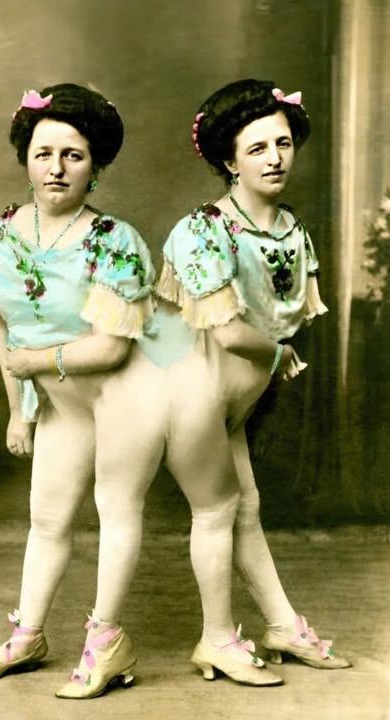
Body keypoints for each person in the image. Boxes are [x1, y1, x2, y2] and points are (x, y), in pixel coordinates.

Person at [57, 78, 350, 699]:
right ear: (229, 161)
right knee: (208, 510)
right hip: (168, 389)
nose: (274, 158)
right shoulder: (204, 230)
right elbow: (230, 331)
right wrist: (279, 354)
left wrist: (265, 363)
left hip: (221, 397)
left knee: (244, 507)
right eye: (256, 148)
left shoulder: (292, 230)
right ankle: (207, 638)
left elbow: (274, 321)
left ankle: (280, 625)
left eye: (282, 143)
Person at [0, 83, 155, 683]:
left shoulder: (114, 240)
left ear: (95, 167)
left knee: (115, 509)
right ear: (26, 159)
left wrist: (36, 363)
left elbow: (113, 347)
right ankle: (28, 636)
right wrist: (19, 411)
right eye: (43, 153)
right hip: (64, 404)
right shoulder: (5, 232)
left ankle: (106, 642)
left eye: (73, 155)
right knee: (46, 518)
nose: (56, 168)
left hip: (127, 398)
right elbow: (2, 326)